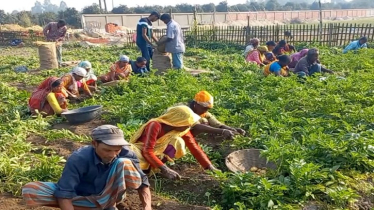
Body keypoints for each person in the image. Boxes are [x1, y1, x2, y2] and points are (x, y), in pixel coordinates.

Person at [22, 125, 152, 210]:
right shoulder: (79, 159)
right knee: (32, 189)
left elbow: (143, 184)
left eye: (117, 150)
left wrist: (147, 207)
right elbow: (64, 193)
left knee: (123, 162)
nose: (113, 154)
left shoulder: (126, 154)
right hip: (84, 196)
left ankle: (111, 204)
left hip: (111, 194)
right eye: (107, 150)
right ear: (94, 144)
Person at [130, 105, 218, 179]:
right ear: (178, 122)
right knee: (130, 150)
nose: (189, 126)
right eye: (187, 123)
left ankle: (153, 169)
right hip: (141, 152)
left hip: (156, 155)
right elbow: (147, 151)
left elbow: (194, 147)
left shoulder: (182, 130)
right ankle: (143, 170)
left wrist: (209, 166)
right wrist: (165, 169)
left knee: (178, 141)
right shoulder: (155, 125)